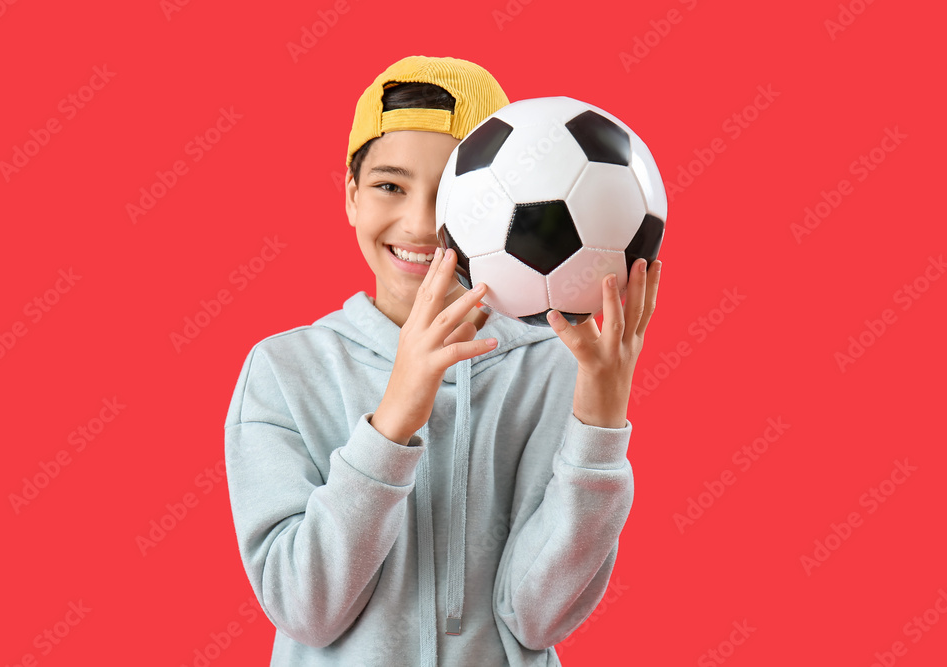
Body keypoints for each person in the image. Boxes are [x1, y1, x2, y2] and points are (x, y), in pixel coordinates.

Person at [224, 54, 661, 667]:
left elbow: (538, 618)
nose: (421, 223)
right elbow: (306, 608)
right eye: (388, 186)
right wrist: (394, 419)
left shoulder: (555, 366)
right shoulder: (283, 371)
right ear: (350, 196)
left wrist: (600, 424)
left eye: (449, 194)